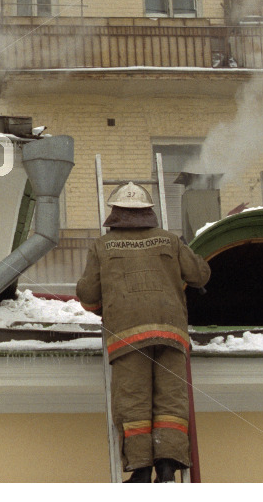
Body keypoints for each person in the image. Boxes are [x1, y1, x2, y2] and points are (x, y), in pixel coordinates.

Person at [76, 182, 210, 483]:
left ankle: (139, 470)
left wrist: (102, 306)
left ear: (115, 213)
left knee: (133, 401)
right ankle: (166, 466)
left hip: (127, 336)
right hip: (170, 332)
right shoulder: (169, 241)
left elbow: (87, 294)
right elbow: (200, 274)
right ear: (149, 212)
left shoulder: (102, 246)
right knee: (171, 400)